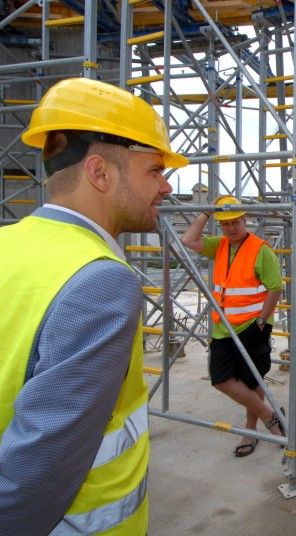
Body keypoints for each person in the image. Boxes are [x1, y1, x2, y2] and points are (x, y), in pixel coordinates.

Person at [0, 77, 188, 534]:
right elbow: (38, 466)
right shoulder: (100, 281)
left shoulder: (7, 243)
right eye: (154, 170)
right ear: (100, 173)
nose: (165, 187)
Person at [181, 195, 285, 457]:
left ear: (244, 219)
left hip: (253, 325)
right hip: (223, 327)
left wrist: (261, 320)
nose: (231, 228)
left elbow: (275, 288)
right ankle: (270, 417)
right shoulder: (220, 245)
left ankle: (249, 430)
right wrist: (206, 212)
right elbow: (188, 240)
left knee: (253, 380)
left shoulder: (260, 249)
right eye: (225, 223)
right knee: (221, 379)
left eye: (235, 222)